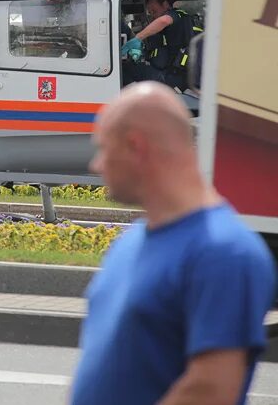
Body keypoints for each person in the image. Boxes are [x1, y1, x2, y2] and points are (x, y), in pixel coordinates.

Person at [71, 82, 276, 405]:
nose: (96, 165)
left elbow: (211, 391)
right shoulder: (130, 242)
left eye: (104, 149)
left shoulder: (225, 252)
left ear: (136, 146)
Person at [121, 0, 202, 92]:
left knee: (123, 69)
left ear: (165, 5)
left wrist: (138, 38)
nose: (153, 16)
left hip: (171, 77)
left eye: (154, 11)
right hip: (177, 75)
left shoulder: (176, 14)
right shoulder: (181, 23)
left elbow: (165, 20)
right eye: (150, 13)